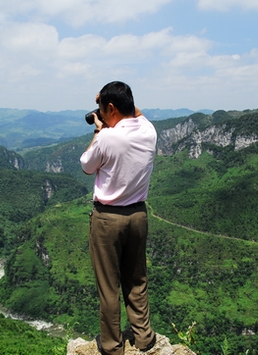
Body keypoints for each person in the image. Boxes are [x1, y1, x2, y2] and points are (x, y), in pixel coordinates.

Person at [80, 81, 157, 355]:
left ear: (110, 108)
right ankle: (144, 337)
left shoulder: (107, 138)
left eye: (102, 108)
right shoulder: (149, 131)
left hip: (108, 220)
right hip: (138, 216)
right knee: (137, 279)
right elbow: (136, 113)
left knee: (109, 284)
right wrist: (116, 101)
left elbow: (87, 165)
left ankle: (112, 346)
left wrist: (99, 131)